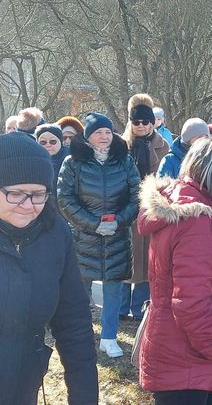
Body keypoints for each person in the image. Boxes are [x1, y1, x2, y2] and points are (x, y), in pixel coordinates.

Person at [137, 137, 212, 405]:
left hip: (182, 352)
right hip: (187, 357)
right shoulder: (196, 220)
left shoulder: (183, 206)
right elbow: (191, 303)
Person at [0, 132, 98, 404]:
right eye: (16, 194)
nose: (29, 205)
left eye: (38, 194)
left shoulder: (54, 233)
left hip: (24, 384)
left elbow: (73, 321)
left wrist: (84, 396)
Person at [58, 112, 140, 358]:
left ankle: (109, 337)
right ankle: (82, 335)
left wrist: (120, 221)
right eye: (98, 133)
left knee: (113, 288)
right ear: (87, 136)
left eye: (107, 132)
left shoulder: (124, 160)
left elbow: (136, 194)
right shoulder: (73, 162)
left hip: (116, 234)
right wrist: (93, 224)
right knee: (79, 289)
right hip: (85, 236)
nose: (104, 137)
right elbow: (65, 198)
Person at [121, 100, 169, 321]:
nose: (140, 126)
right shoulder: (121, 145)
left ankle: (138, 307)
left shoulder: (162, 146)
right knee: (124, 259)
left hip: (150, 208)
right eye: (136, 121)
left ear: (152, 123)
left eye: (145, 122)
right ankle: (122, 308)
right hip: (124, 207)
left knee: (146, 260)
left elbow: (165, 177)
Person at [35, 123, 69, 191]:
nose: (48, 145)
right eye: (43, 142)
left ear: (61, 142)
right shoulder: (32, 161)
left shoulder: (72, 160)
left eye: (53, 141)